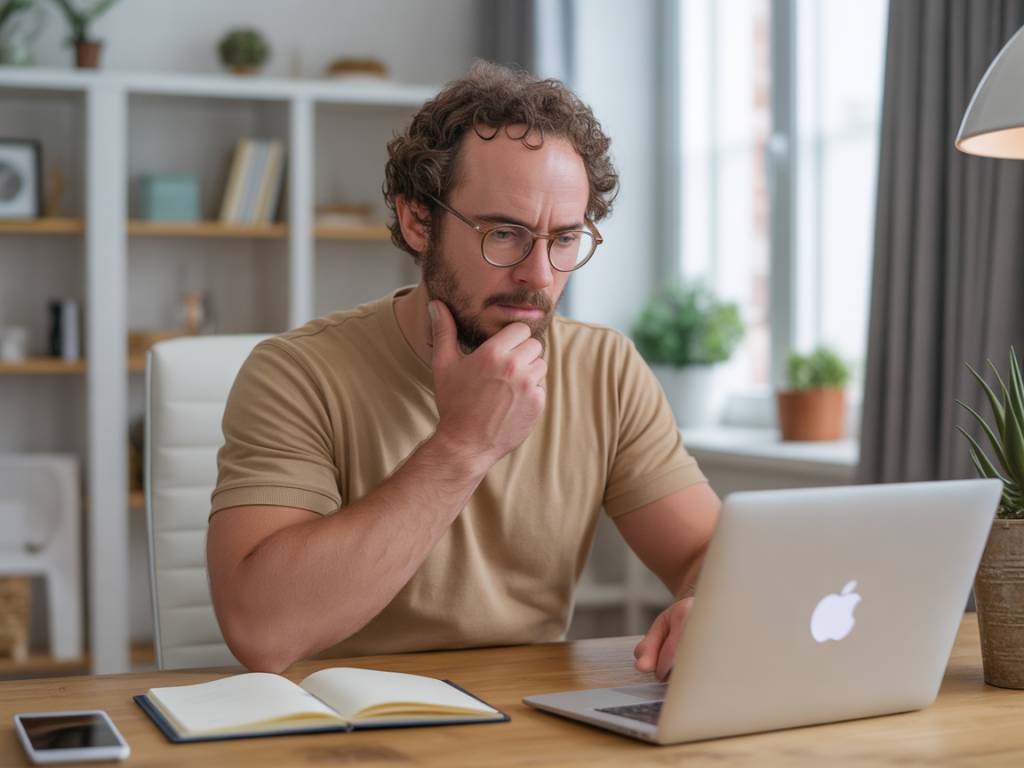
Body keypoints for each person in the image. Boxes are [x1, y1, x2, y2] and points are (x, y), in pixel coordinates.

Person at [206, 61, 720, 681]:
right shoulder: (296, 374)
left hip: (527, 725)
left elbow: (702, 550)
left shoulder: (605, 369)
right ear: (419, 220)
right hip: (340, 730)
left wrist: (700, 601)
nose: (539, 275)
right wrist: (465, 444)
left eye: (563, 239)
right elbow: (262, 632)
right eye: (504, 233)